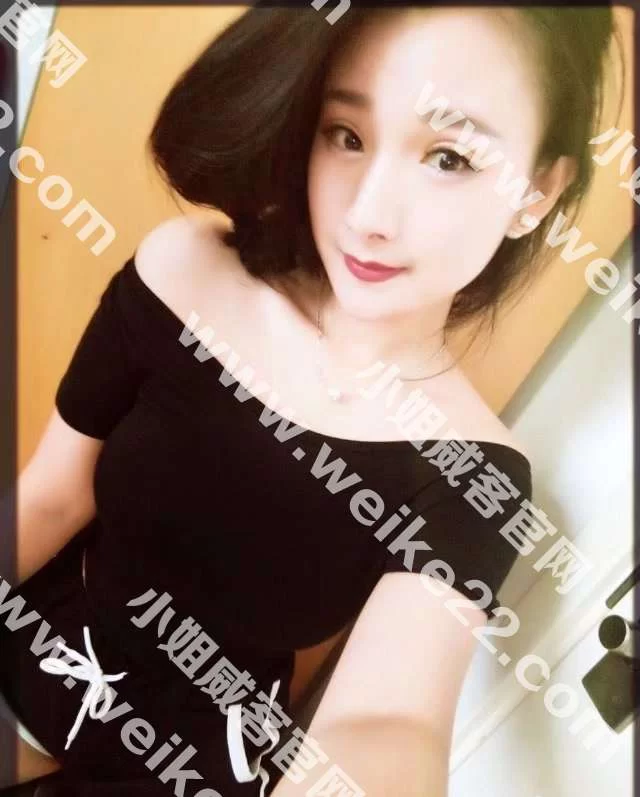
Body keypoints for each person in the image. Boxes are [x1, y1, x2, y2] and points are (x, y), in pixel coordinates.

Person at [0, 4, 622, 796]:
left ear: (536, 190)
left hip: (196, 762)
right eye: (346, 135)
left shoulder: (474, 473)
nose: (368, 215)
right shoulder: (185, 274)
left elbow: (389, 723)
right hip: (45, 652)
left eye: (449, 157)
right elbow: (51, 496)